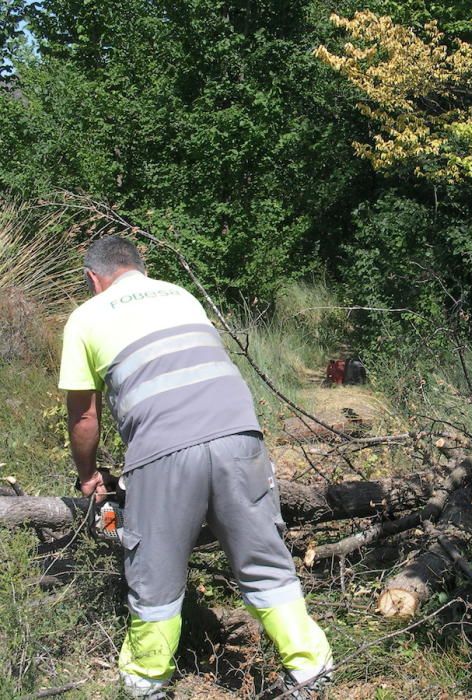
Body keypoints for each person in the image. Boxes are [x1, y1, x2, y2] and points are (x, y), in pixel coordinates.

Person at [58, 237, 333, 698]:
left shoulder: (87, 316)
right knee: (263, 558)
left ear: (93, 278)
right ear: (140, 269)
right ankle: (310, 670)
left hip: (163, 451)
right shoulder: (179, 294)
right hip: (240, 435)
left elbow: (85, 416)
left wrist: (89, 476)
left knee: (156, 570)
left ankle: (146, 681)